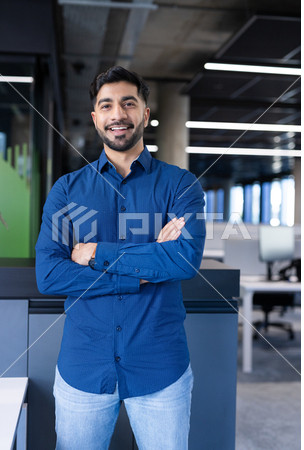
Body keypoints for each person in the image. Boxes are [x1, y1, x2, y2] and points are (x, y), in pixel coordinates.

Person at [35, 66, 206, 449]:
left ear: (145, 113)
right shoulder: (67, 190)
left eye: (129, 103)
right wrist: (142, 268)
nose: (118, 114)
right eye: (106, 105)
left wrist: (96, 253)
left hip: (161, 368)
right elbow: (49, 274)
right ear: (96, 117)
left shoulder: (180, 185)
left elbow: (183, 260)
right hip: (84, 367)